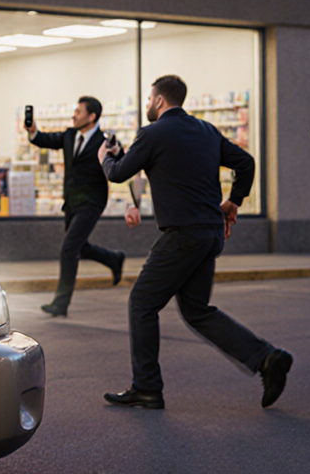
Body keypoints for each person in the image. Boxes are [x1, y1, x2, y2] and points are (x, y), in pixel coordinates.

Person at [99, 75, 293, 410]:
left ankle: (146, 387)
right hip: (210, 234)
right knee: (197, 310)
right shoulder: (207, 131)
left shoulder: (152, 132)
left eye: (148, 100)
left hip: (183, 236)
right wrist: (235, 201)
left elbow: (117, 173)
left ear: (159, 101)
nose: (147, 105)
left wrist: (105, 155)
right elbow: (246, 163)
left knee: (142, 303)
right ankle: (266, 358)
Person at [26, 96, 126, 316]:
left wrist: (117, 151)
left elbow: (121, 162)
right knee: (80, 247)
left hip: (92, 202)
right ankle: (113, 258)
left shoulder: (104, 140)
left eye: (79, 112)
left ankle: (60, 304)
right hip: (71, 202)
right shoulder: (70, 135)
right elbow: (45, 140)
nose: (74, 115)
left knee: (69, 248)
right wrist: (33, 131)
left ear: (91, 117)